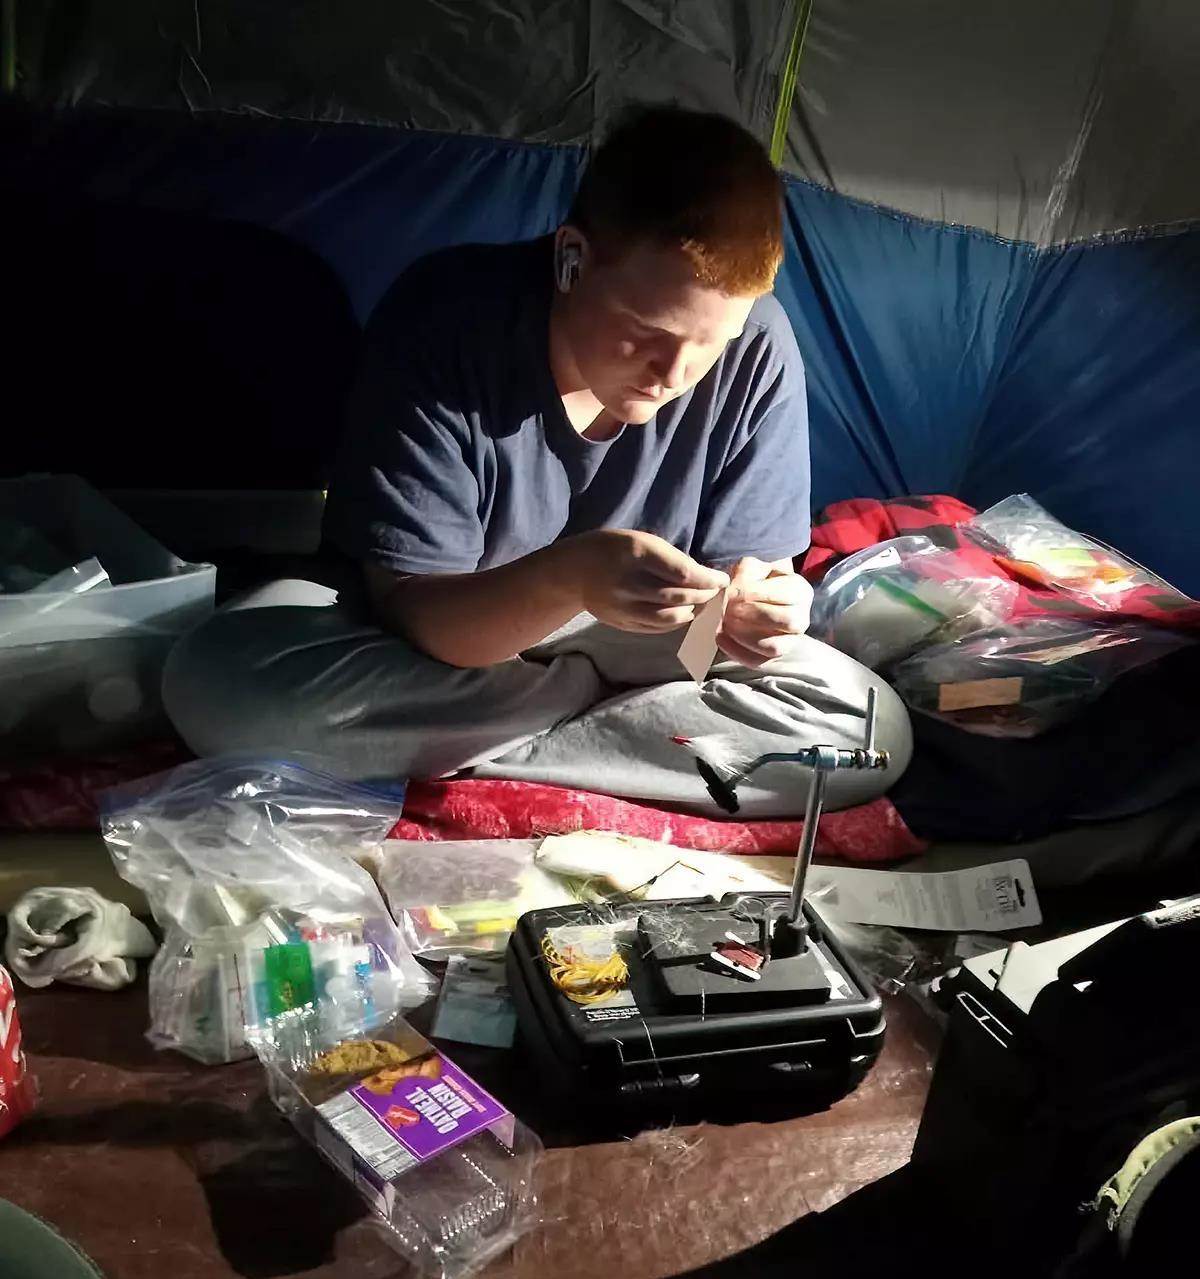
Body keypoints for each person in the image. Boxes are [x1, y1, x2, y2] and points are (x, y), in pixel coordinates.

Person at [163, 106, 911, 817]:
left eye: (710, 343)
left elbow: (750, 583)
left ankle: (475, 745)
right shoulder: (447, 320)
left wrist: (771, 606)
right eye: (645, 331)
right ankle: (607, 731)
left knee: (867, 726)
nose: (674, 373)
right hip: (431, 637)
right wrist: (572, 577)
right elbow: (419, 614)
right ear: (572, 259)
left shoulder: (759, 344)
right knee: (220, 685)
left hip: (631, 648)